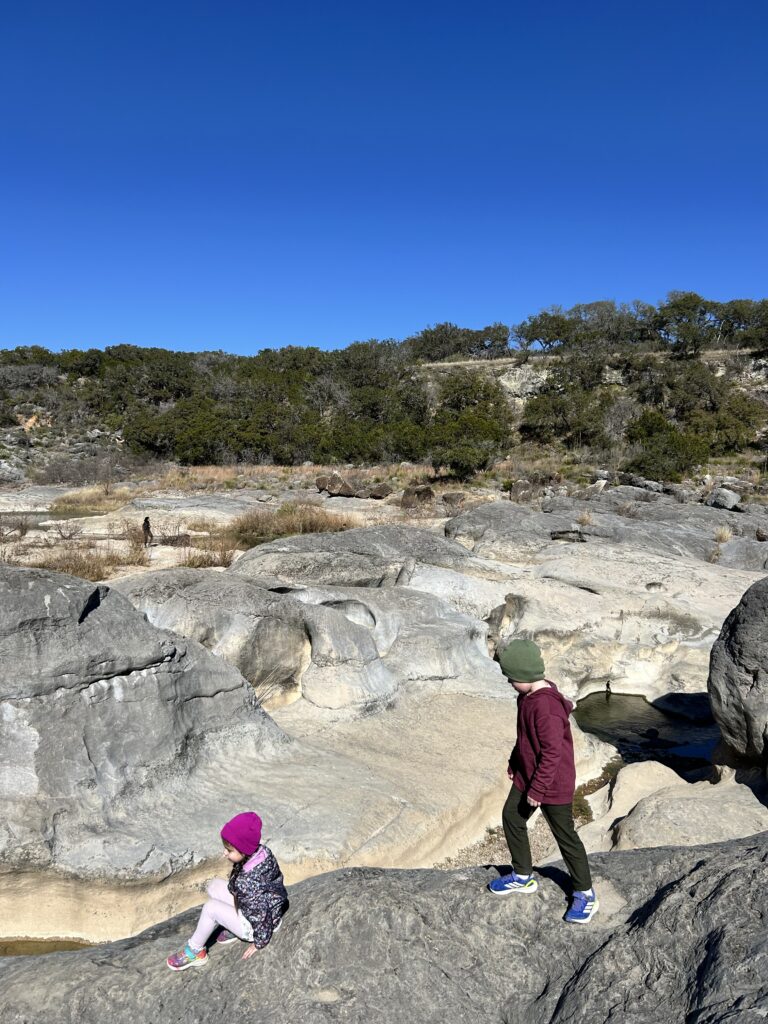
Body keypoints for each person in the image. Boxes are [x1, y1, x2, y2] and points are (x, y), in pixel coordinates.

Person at [487, 639, 598, 924]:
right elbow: (524, 738)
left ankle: (585, 893)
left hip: (552, 783)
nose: (510, 683)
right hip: (528, 775)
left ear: (525, 676)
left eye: (512, 678)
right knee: (511, 816)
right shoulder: (525, 697)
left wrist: (538, 788)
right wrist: (515, 762)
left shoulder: (546, 707)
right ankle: (523, 875)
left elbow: (552, 753)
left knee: (565, 836)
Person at [166, 812, 288, 971]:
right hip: (260, 906)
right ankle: (231, 925)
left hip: (256, 925)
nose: (224, 853)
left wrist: (260, 942)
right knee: (213, 886)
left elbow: (261, 914)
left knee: (210, 908)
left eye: (229, 850)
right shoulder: (262, 852)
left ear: (244, 850)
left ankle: (195, 952)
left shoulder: (247, 883)